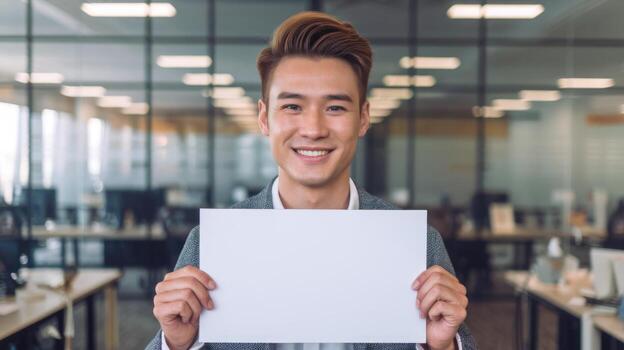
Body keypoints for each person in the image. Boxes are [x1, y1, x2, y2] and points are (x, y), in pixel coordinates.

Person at [147, 11, 477, 350]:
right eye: (292, 106)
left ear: (363, 118)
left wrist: (442, 347)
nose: (314, 129)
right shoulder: (210, 244)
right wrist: (176, 343)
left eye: (335, 108)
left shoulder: (419, 245)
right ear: (264, 118)